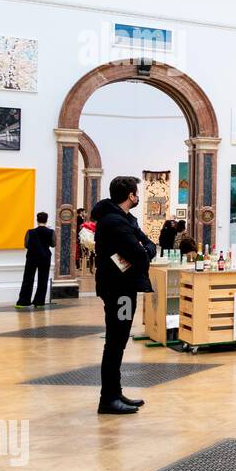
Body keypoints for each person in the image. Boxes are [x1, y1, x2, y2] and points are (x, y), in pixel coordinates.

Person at [92, 176, 156, 415]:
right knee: (116, 342)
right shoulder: (114, 222)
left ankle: (115, 391)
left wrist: (144, 247)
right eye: (136, 192)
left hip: (124, 288)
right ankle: (108, 398)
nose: (137, 196)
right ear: (130, 195)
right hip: (119, 289)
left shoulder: (124, 220)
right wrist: (144, 250)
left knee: (119, 341)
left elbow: (147, 243)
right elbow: (141, 253)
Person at [15, 212, 56, 309]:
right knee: (43, 279)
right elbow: (53, 244)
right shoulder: (51, 232)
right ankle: (39, 301)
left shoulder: (30, 232)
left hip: (32, 257)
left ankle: (23, 301)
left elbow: (26, 244)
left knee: (28, 279)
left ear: (37, 220)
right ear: (46, 220)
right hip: (45, 257)